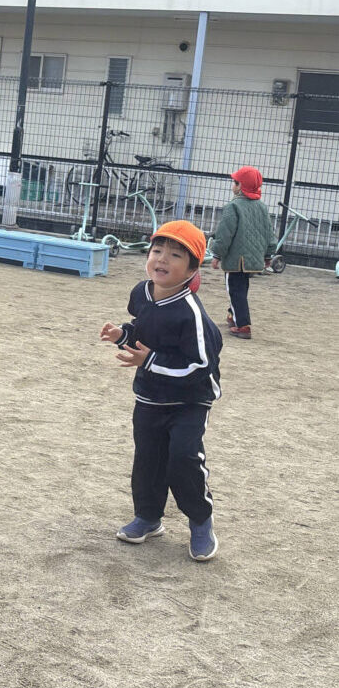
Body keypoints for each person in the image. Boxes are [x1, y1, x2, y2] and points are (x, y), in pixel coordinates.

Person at [98, 220, 223, 562]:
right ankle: (148, 517)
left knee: (183, 459)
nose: (162, 259)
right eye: (157, 251)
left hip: (190, 401)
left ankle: (201, 521)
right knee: (148, 460)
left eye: (175, 255)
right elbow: (143, 330)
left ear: (192, 270)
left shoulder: (192, 315)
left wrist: (149, 360)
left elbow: (200, 366)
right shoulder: (141, 293)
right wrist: (122, 335)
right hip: (150, 397)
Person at [208, 166, 278, 341]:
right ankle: (232, 315)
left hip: (236, 259)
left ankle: (243, 325)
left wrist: (216, 254)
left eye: (235, 182)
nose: (233, 185)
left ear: (241, 186)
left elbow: (225, 234)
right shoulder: (261, 207)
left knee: (234, 290)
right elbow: (269, 233)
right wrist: (268, 255)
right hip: (253, 259)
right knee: (241, 288)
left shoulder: (233, 206)